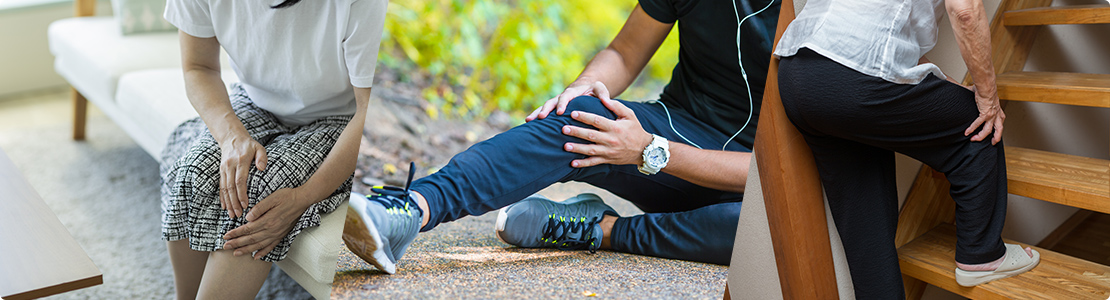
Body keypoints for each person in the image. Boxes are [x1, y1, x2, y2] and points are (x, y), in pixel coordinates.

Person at [342, 0, 780, 273]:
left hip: (764, 183)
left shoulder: (826, 15)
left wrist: (649, 150)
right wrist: (582, 88)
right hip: (681, 125)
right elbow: (624, 53)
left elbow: (787, 175)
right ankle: (409, 210)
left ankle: (600, 230)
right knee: (582, 116)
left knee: (761, 231)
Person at [773, 0, 1039, 297]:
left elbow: (889, 42)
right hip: (855, 76)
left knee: (864, 215)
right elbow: (965, 10)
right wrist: (988, 98)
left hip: (798, 76)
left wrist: (952, 89)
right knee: (978, 126)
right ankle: (982, 254)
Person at [159, 0, 386, 298]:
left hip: (343, 117)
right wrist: (231, 137)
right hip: (256, 100)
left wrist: (305, 196)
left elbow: (368, 111)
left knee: (260, 198)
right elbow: (197, 67)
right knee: (195, 172)